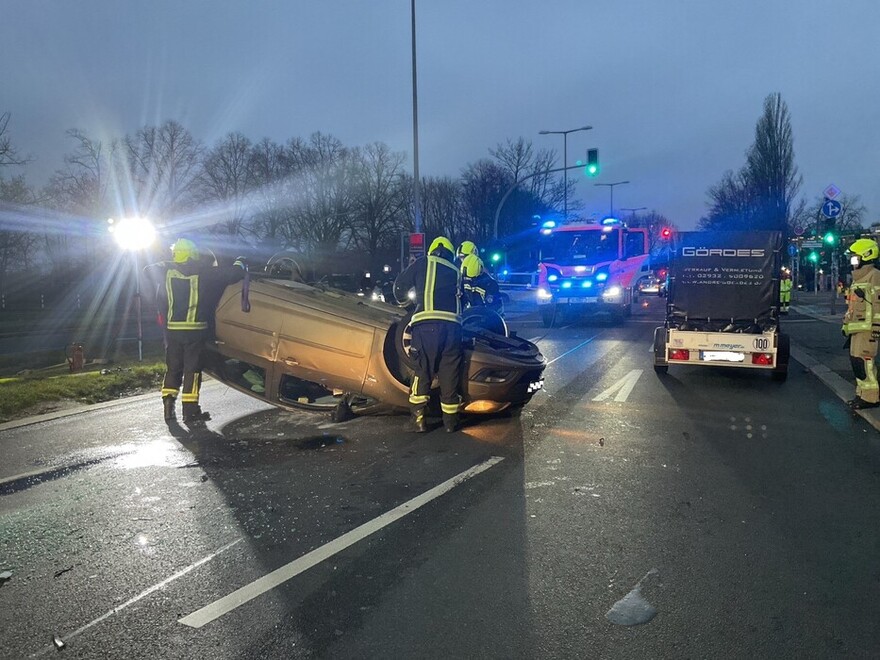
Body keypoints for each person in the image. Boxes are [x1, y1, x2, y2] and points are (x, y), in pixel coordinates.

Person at [144, 238, 245, 425]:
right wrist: (241, 261)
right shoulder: (204, 272)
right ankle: (190, 412)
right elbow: (234, 274)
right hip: (195, 331)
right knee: (192, 370)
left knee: (173, 369)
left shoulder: (168, 271)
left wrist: (168, 263)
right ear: (193, 254)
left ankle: (168, 408)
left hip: (173, 331)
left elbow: (146, 270)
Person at [394, 236, 463, 433]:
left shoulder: (423, 262)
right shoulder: (456, 271)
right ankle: (451, 422)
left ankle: (418, 419)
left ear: (433, 250)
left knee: (422, 370)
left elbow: (400, 287)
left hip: (427, 327)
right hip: (453, 329)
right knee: (449, 374)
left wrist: (406, 305)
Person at [841, 238, 880, 410]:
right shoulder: (858, 278)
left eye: (855, 257)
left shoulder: (875, 276)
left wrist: (877, 328)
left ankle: (871, 398)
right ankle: (861, 394)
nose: (853, 261)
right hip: (856, 330)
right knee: (857, 363)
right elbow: (852, 306)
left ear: (867, 255)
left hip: (868, 330)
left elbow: (878, 305)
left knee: (865, 364)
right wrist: (845, 325)